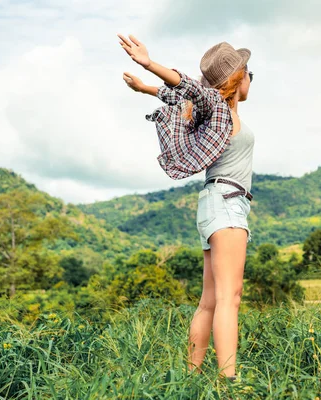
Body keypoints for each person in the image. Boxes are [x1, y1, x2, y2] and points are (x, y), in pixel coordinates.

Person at [118, 34, 255, 381]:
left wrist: (146, 88)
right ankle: (229, 381)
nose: (253, 78)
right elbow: (190, 89)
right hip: (227, 205)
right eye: (250, 72)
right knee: (229, 298)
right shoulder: (218, 109)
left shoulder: (214, 114)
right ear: (238, 78)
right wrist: (149, 64)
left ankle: (190, 379)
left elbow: (180, 98)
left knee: (210, 300)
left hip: (216, 204)